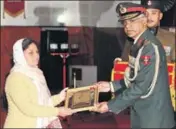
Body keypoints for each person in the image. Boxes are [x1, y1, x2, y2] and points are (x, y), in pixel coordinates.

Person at [92, 2, 176, 128]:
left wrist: (110, 105)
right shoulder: (137, 44)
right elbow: (133, 77)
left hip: (154, 119)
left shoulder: (149, 48)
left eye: (132, 21)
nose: (128, 26)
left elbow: (141, 87)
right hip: (144, 114)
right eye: (125, 22)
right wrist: (110, 86)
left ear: (144, 21)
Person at [4, 38, 73, 128]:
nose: (36, 56)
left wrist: (60, 97)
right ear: (19, 55)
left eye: (37, 52)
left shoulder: (37, 74)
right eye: (31, 53)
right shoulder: (15, 78)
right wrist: (58, 111)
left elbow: (44, 103)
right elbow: (28, 108)